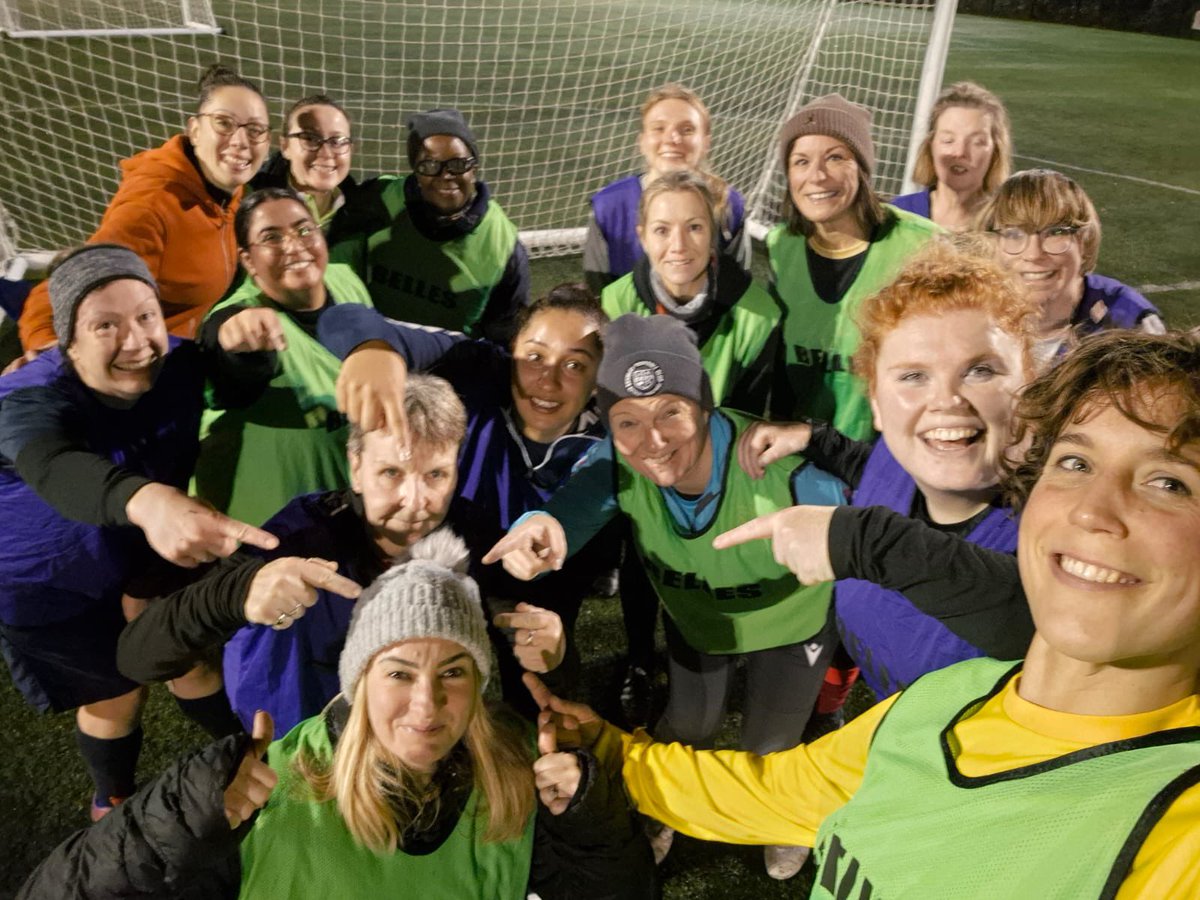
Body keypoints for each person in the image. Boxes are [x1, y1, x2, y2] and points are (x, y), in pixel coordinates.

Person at [530, 328, 1200, 898]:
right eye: (1075, 462)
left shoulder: (1181, 834)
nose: (1092, 511)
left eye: (1168, 482)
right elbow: (773, 791)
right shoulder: (945, 701)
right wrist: (613, 751)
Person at [21, 531, 656, 899]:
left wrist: (590, 823)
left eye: (453, 673)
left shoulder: (522, 783)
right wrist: (174, 825)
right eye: (399, 673)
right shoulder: (259, 796)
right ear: (356, 681)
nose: (426, 706)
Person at [485, 314, 846, 879]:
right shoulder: (617, 463)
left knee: (770, 740)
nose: (651, 441)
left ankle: (779, 819)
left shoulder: (786, 470)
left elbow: (882, 518)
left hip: (791, 625)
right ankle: (665, 803)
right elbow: (568, 508)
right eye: (627, 420)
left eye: (671, 411)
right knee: (689, 725)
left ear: (704, 404)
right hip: (697, 622)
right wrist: (542, 525)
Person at [0, 245, 277, 820]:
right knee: (114, 693)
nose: (136, 341)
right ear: (67, 342)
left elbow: (230, 378)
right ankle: (113, 800)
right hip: (51, 586)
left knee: (191, 659)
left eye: (146, 316)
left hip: (143, 553)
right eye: (106, 324)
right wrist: (147, 501)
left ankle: (247, 757)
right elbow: (51, 464)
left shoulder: (173, 364)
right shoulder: (25, 396)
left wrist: (242, 344)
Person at [740, 243, 1037, 698]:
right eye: (913, 376)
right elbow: (879, 473)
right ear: (876, 404)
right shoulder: (896, 462)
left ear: (1031, 389)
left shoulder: (1066, 519)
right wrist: (815, 436)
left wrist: (865, 540)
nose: (946, 400)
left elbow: (1050, 624)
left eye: (979, 370)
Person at [315, 284, 612, 718]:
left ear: (598, 379)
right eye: (534, 356)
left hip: (544, 587)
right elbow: (342, 318)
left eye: (574, 364)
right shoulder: (477, 367)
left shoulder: (619, 431)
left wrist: (556, 647)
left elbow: (592, 492)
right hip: (450, 561)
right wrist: (370, 348)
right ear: (512, 349)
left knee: (539, 684)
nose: (547, 380)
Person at [120, 373, 473, 733]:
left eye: (435, 475)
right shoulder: (300, 538)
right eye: (391, 472)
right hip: (309, 755)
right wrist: (238, 592)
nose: (415, 502)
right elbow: (137, 657)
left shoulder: (469, 526)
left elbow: (507, 606)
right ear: (356, 467)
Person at [600, 168, 781, 724]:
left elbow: (750, 413)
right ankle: (637, 658)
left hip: (716, 470)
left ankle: (710, 643)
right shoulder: (614, 300)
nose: (677, 245)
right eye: (662, 229)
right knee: (639, 553)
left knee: (706, 558)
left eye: (694, 228)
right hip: (641, 463)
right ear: (640, 233)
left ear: (717, 232)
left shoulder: (758, 310)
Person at [14, 65, 270, 361]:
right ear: (195, 131)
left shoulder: (229, 194)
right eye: (224, 123)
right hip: (146, 370)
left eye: (255, 130)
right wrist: (49, 355)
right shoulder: (152, 207)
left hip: (186, 350)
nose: (241, 142)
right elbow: (55, 296)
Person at [191, 187, 375, 526]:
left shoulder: (345, 280)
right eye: (271, 238)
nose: (294, 245)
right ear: (248, 260)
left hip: (343, 511)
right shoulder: (241, 318)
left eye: (304, 230)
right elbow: (226, 362)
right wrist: (231, 339)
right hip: (263, 528)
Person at [768, 93, 940, 440]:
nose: (816, 176)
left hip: (889, 460)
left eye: (835, 157)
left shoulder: (923, 246)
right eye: (801, 161)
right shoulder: (780, 246)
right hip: (798, 458)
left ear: (861, 168)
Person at [329, 108, 530, 344]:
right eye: (430, 165)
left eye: (458, 164)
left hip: (448, 370)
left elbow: (504, 338)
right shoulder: (375, 202)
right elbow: (335, 276)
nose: (446, 176)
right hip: (368, 352)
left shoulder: (503, 247)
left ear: (474, 167)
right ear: (415, 172)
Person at [976, 168, 1165, 365]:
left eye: (1055, 233)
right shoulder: (965, 312)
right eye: (1013, 234)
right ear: (992, 244)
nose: (1033, 254)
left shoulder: (1127, 324)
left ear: (1084, 241)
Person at [584, 83, 749, 293]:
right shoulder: (609, 207)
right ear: (642, 141)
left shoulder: (729, 204)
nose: (673, 139)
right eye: (659, 128)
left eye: (687, 129)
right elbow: (597, 295)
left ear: (706, 142)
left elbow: (737, 287)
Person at [890, 81, 1012, 231]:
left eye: (977, 142)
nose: (960, 152)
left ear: (996, 151)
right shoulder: (896, 216)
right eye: (948, 140)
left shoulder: (1007, 227)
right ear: (930, 145)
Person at [252, 94, 362, 232]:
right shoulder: (247, 202)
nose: (327, 153)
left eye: (337, 141)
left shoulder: (368, 211)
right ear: (285, 146)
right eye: (310, 138)